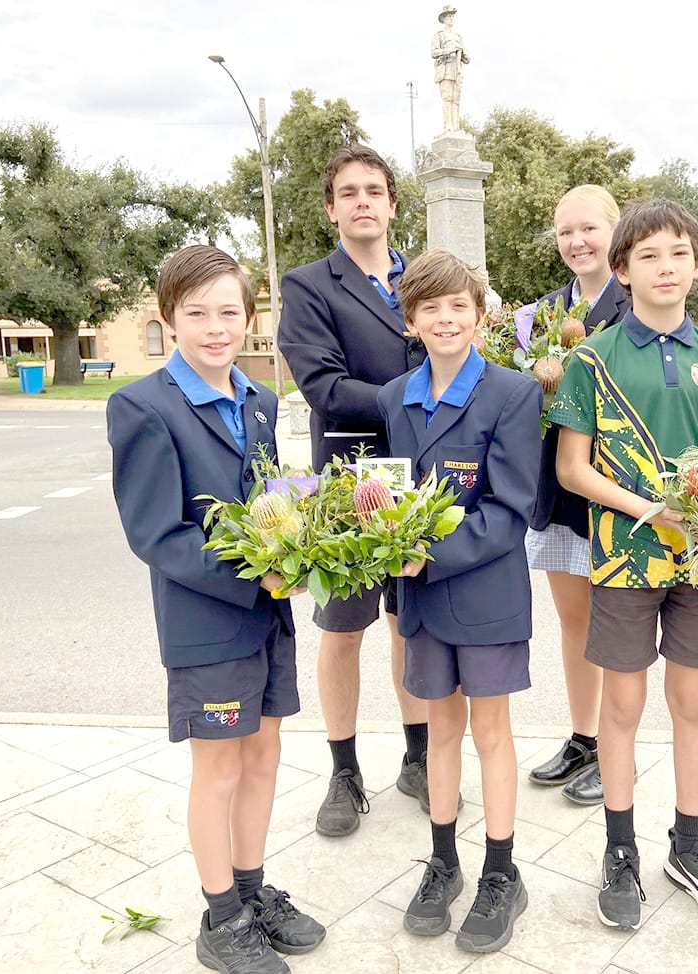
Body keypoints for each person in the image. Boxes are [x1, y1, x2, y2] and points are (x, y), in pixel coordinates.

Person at [107, 245, 325, 973]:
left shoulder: (260, 401)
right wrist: (253, 580)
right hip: (207, 623)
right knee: (220, 770)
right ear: (168, 320)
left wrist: (302, 548)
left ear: (249, 318)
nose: (213, 327)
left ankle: (254, 890)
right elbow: (156, 535)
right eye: (196, 313)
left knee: (264, 755)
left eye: (228, 311)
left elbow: (268, 502)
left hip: (268, 617)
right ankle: (220, 917)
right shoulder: (142, 405)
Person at [548, 200, 698, 930]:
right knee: (622, 707)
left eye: (678, 253)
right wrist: (650, 509)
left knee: (692, 704)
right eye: (648, 256)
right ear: (621, 270)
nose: (664, 267)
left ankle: (690, 846)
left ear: (697, 265)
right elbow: (573, 471)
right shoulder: (591, 359)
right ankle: (618, 851)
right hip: (621, 561)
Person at [278, 144, 447, 838]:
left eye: (373, 190)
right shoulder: (310, 285)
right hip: (350, 479)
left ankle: (417, 755)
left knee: (410, 623)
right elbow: (322, 386)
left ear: (392, 203)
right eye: (347, 192)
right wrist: (417, 397)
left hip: (423, 481)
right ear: (330, 210)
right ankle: (343, 771)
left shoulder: (428, 276)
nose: (362, 202)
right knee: (342, 630)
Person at [377, 249, 542, 953]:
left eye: (458, 306)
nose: (445, 318)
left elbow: (510, 510)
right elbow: (390, 498)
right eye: (430, 307)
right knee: (439, 733)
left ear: (479, 315)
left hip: (485, 591)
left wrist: (431, 554)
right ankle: (442, 860)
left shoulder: (511, 392)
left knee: (490, 733)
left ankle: (501, 872)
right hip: (418, 599)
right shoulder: (394, 398)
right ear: (411, 321)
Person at [525, 185, 631, 807]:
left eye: (588, 228)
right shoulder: (537, 316)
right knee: (573, 622)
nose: (577, 242)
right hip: (556, 486)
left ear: (615, 232)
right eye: (566, 231)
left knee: (617, 627)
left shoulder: (636, 306)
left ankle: (618, 751)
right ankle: (584, 738)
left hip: (615, 488)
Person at [431, 6, 469, 132]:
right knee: (447, 97)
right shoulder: (439, 35)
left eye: (453, 16)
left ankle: (456, 126)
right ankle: (448, 125)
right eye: (449, 16)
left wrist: (461, 51)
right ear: (443, 18)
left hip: (457, 69)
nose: (452, 18)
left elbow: (468, 59)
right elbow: (434, 52)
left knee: (456, 98)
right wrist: (449, 50)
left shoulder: (458, 37)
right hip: (445, 68)